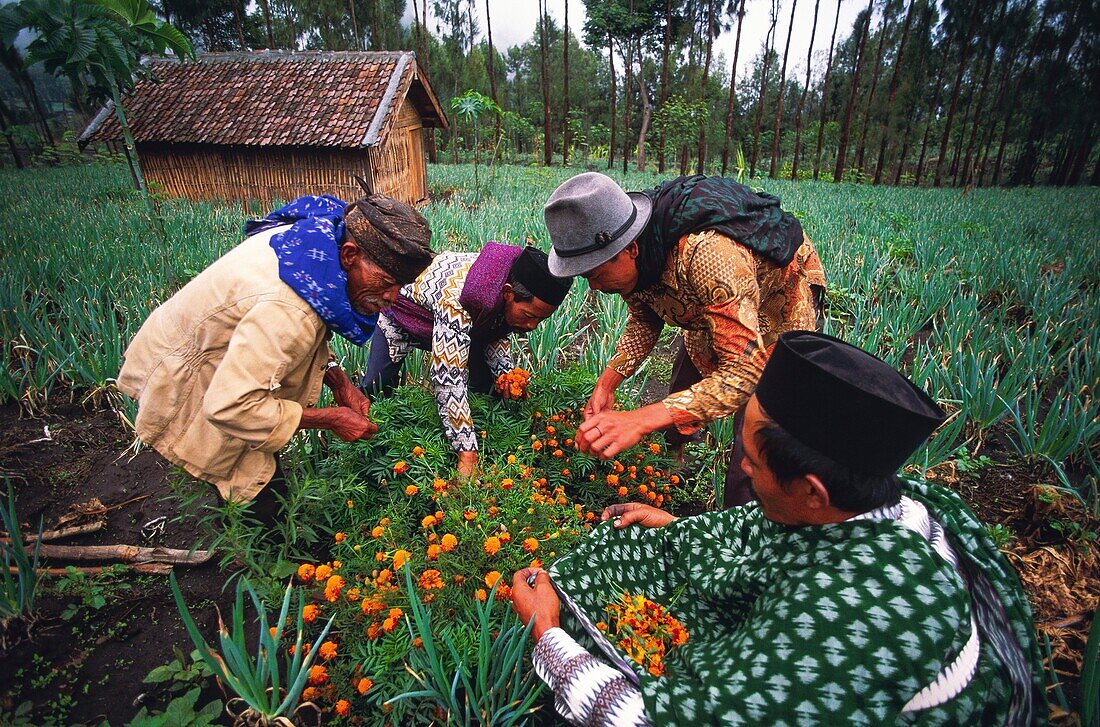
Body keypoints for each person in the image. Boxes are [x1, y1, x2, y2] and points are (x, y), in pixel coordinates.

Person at [511, 331, 1044, 726]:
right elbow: (757, 531)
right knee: (631, 548)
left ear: (813, 490)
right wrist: (677, 526)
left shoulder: (852, 614)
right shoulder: (877, 501)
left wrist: (550, 638)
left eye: (754, 462)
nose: (741, 466)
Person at [118, 194, 433, 523]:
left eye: (400, 286)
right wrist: (331, 418)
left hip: (219, 352)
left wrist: (339, 381)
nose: (392, 298)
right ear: (350, 255)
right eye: (385, 283)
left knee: (256, 459)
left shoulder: (317, 243)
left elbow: (304, 328)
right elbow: (230, 405)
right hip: (189, 368)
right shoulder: (289, 312)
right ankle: (269, 563)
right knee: (251, 488)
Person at [544, 172, 826, 507]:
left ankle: (740, 525)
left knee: (757, 440)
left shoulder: (707, 254)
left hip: (777, 310)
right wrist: (608, 382)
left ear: (630, 248)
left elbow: (744, 372)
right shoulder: (634, 254)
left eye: (595, 274)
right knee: (686, 380)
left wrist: (641, 419)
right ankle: (670, 466)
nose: (593, 286)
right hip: (712, 307)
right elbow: (645, 316)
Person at [361, 244, 572, 477]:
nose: (532, 327)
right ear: (508, 293)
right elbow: (448, 379)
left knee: (486, 387)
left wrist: (507, 374)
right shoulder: (459, 302)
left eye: (540, 320)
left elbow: (494, 333)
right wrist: (467, 453)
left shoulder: (502, 290)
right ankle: (370, 450)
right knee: (376, 386)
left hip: (462, 325)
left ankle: (484, 433)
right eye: (529, 316)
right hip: (403, 318)